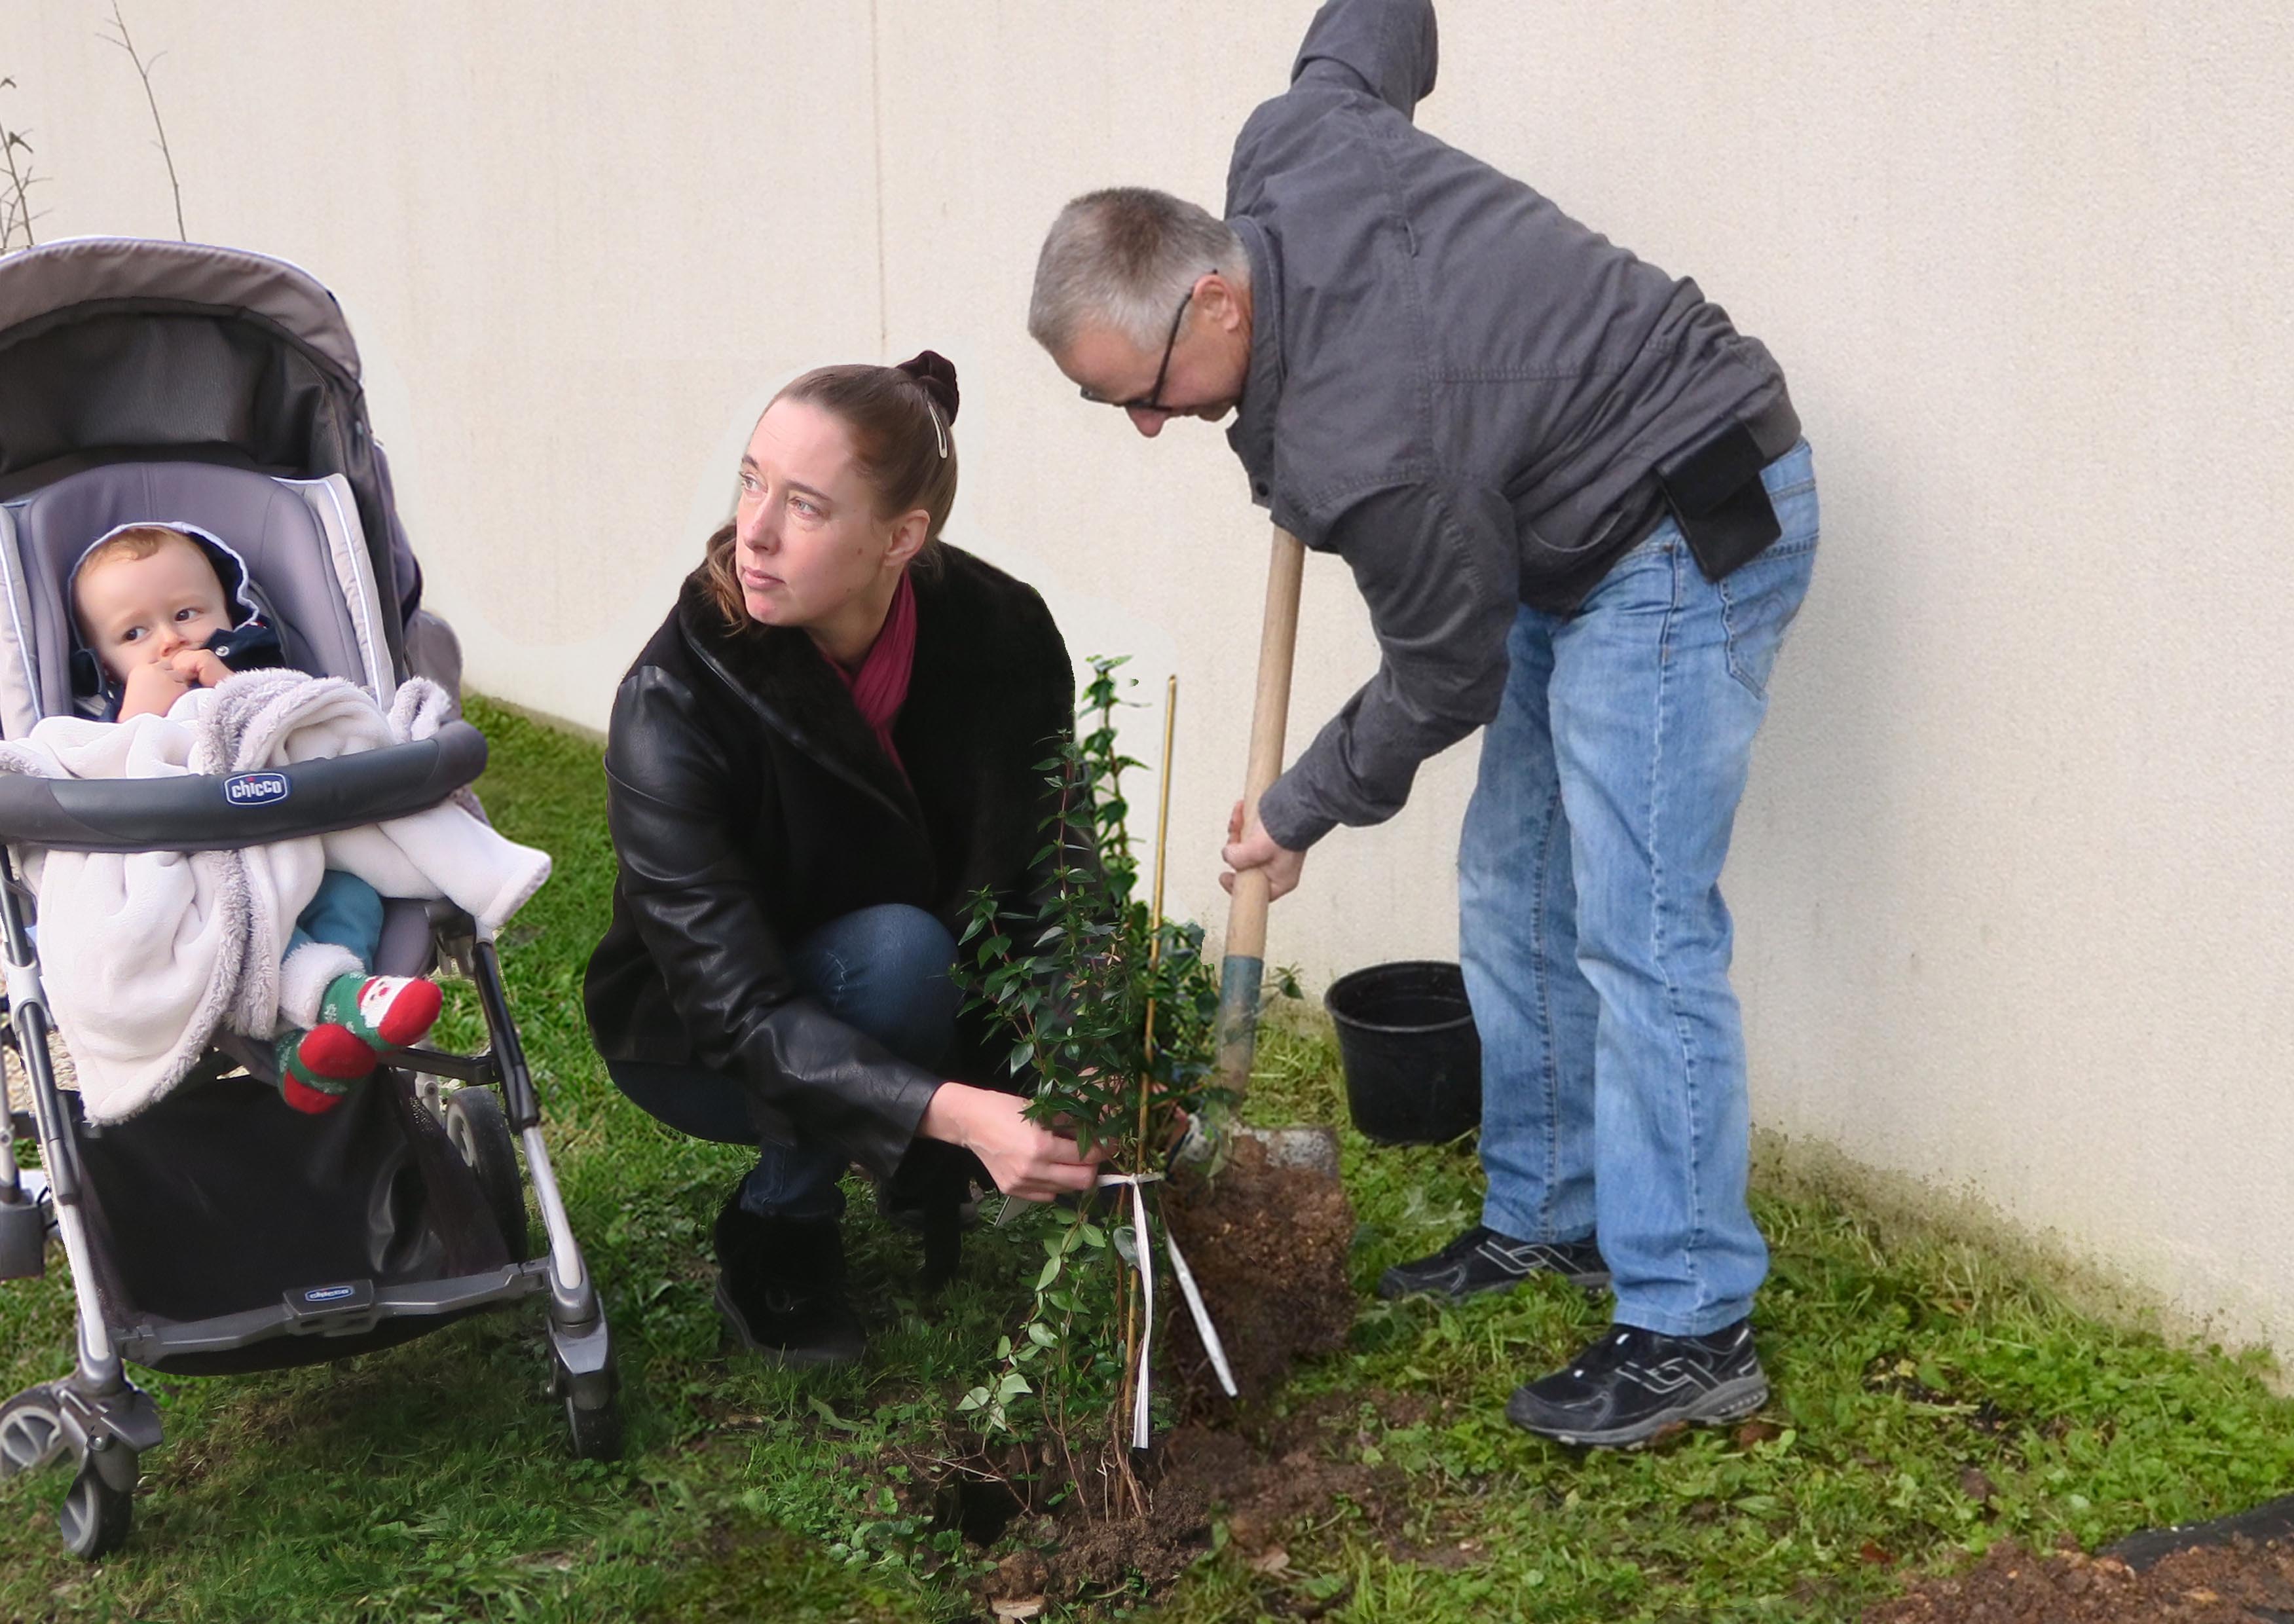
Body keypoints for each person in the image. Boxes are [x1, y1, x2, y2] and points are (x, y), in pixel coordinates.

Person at [1028, 0, 1819, 1447]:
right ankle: (1547, 1213)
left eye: (1139, 396)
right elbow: (1370, 27)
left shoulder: (1366, 443)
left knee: (1639, 924)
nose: (1144, 428)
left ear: (1211, 301)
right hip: (1552, 526)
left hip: (1682, 519)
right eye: (1107, 405)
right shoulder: (1289, 145)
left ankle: (1692, 1319)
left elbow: (1440, 675)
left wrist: (1295, 806)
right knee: (1514, 875)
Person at [583, 352, 1106, 1369]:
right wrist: (958, 1114)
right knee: (900, 956)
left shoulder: (1000, 632)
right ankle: (781, 1226)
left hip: (928, 981)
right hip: (703, 1038)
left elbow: (1056, 865)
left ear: (899, 539)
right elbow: (735, 1011)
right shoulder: (674, 700)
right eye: (751, 482)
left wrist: (1078, 1041)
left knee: (935, 958)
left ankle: (913, 1152)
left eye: (808, 506)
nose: (756, 531)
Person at [68, 523, 445, 1113]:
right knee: (246, 923)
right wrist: (137, 720)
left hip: (300, 848)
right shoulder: (104, 719)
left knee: (356, 897)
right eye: (135, 632)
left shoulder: (256, 671)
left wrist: (238, 693)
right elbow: (108, 782)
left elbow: (312, 723)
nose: (168, 641)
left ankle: (310, 1047)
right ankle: (345, 1001)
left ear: (230, 611)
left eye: (188, 613)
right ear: (102, 662)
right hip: (205, 876)